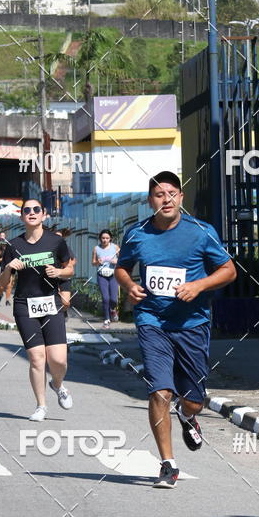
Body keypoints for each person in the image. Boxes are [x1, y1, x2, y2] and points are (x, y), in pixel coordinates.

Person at [115, 171, 236, 489]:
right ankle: (168, 464)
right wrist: (129, 285)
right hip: (152, 321)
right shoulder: (136, 234)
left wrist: (199, 285)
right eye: (158, 194)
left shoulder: (201, 232)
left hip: (192, 324)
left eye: (171, 193)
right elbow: (122, 267)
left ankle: (187, 414)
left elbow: (228, 270)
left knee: (194, 399)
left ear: (181, 198)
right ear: (149, 201)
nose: (165, 199)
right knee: (159, 391)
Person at [0, 199, 74, 421]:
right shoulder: (13, 246)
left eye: (36, 210)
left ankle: (57, 385)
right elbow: (3, 284)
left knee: (59, 360)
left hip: (51, 303)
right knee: (37, 357)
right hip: (24, 305)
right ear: (22, 217)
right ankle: (41, 406)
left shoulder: (55, 242)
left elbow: (69, 269)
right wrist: (8, 268)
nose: (31, 213)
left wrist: (59, 275)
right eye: (27, 210)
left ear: (43, 215)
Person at [92, 229, 120, 328]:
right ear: (100, 238)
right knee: (105, 298)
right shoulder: (96, 248)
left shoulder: (115, 247)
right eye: (103, 238)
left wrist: (116, 261)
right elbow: (93, 263)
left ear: (110, 239)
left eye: (107, 238)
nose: (105, 240)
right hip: (101, 275)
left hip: (113, 275)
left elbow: (122, 260)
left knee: (113, 299)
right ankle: (107, 319)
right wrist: (97, 262)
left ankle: (113, 310)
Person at [0, 232, 13, 304]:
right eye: (3, 245)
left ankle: (7, 300)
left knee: (9, 285)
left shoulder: (9, 251)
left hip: (8, 269)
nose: (4, 246)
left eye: (5, 245)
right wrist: (1, 259)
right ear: (0, 245)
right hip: (1, 269)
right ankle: (1, 295)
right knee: (1, 287)